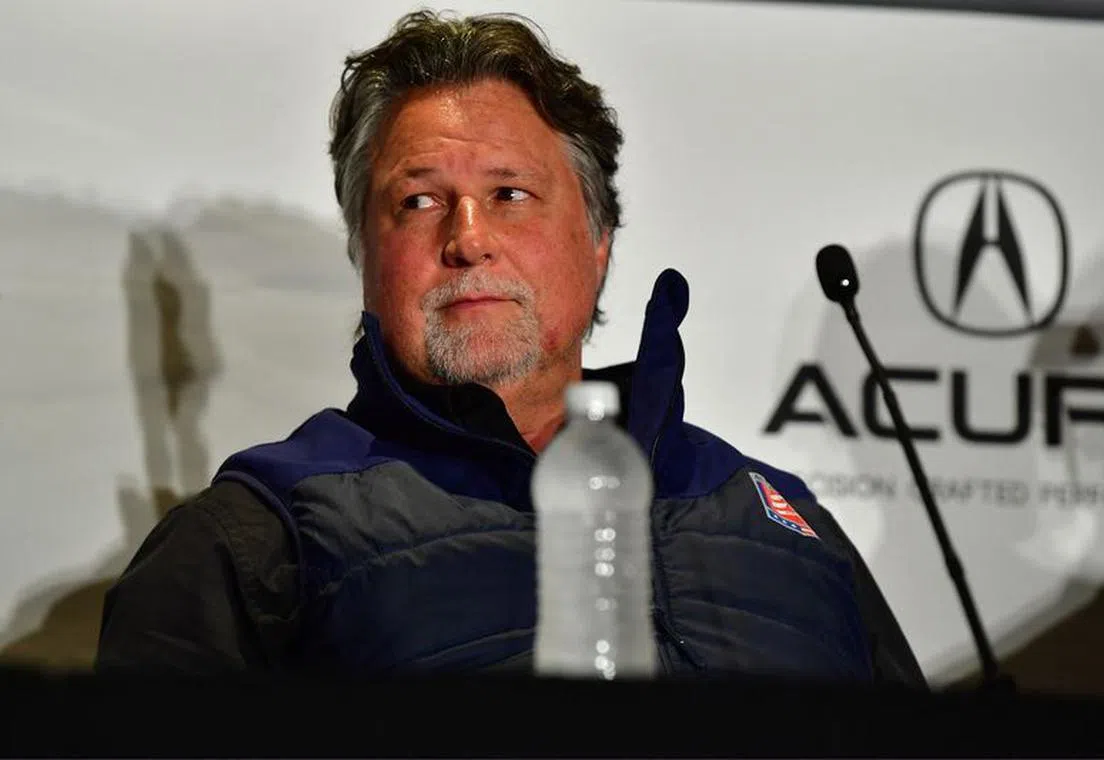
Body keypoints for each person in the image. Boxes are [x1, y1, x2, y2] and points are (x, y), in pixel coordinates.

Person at [96, 9, 925, 685]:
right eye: (419, 202)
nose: (468, 239)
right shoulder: (254, 536)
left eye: (510, 194)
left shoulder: (777, 517)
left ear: (598, 241)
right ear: (363, 252)